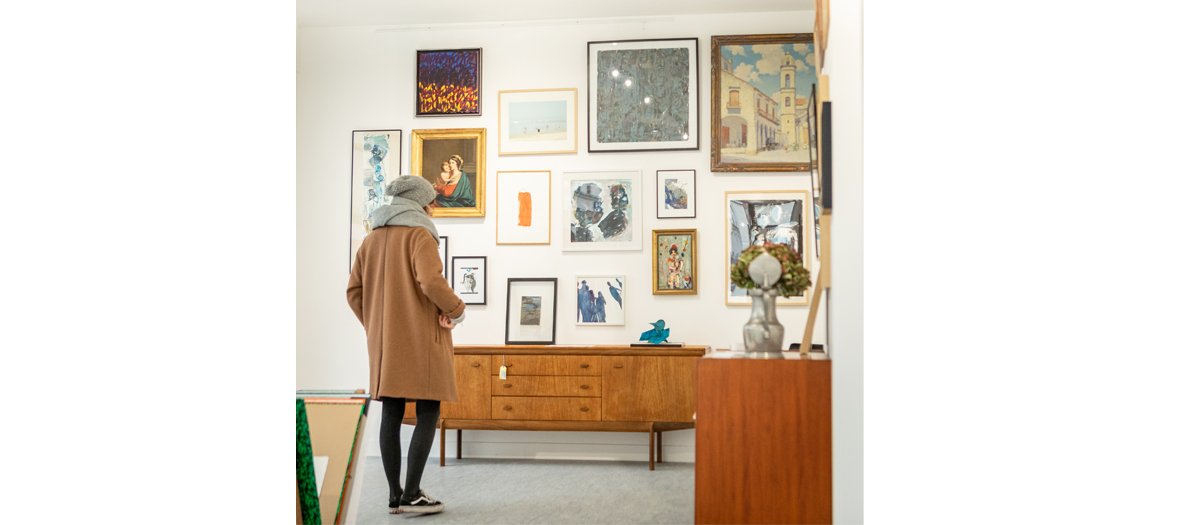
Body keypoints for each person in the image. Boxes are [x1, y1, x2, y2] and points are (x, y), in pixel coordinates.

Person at [347, 175, 466, 516]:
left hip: (386, 345)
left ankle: (394, 495)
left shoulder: (371, 240)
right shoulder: (420, 234)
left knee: (392, 411)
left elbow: (354, 292)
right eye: (432, 202)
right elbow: (430, 281)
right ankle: (413, 493)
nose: (434, 208)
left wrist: (377, 327)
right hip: (422, 341)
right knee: (429, 410)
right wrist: (455, 311)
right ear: (420, 203)